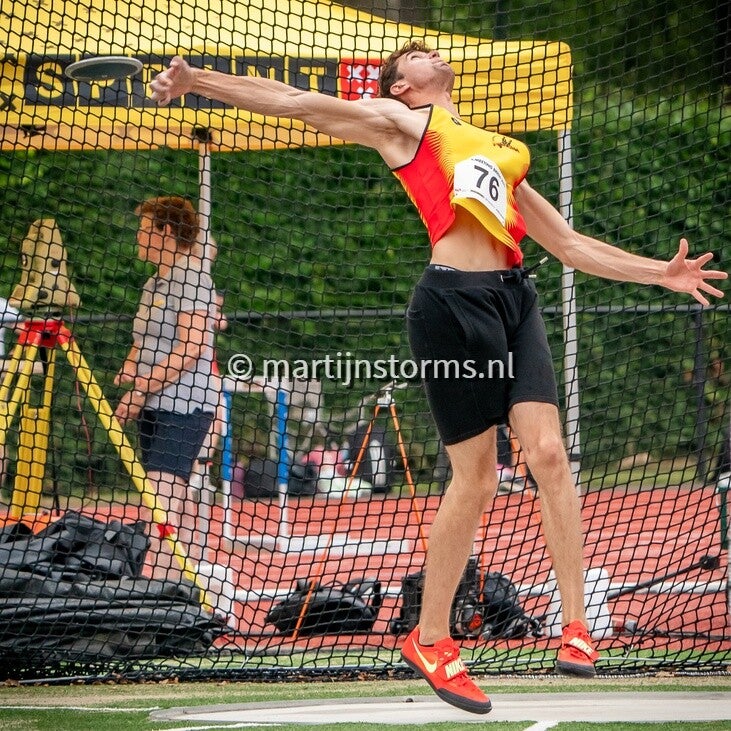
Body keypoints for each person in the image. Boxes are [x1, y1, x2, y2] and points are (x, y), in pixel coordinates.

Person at [149, 44, 727, 713]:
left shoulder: (499, 148)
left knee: (548, 454)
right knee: (476, 479)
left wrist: (659, 272)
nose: (432, 54)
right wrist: (197, 81)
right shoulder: (402, 125)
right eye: (418, 54)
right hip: (450, 304)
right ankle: (431, 639)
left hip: (515, 299)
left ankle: (576, 628)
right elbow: (295, 102)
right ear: (403, 85)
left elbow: (568, 245)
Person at [114, 196, 219, 579]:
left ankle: (154, 591)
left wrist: (141, 388)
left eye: (144, 230)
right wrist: (131, 368)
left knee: (159, 502)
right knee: (173, 500)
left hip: (185, 406)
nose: (138, 238)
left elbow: (191, 347)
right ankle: (183, 586)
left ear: (166, 232)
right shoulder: (153, 283)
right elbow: (143, 339)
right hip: (154, 404)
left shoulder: (193, 278)